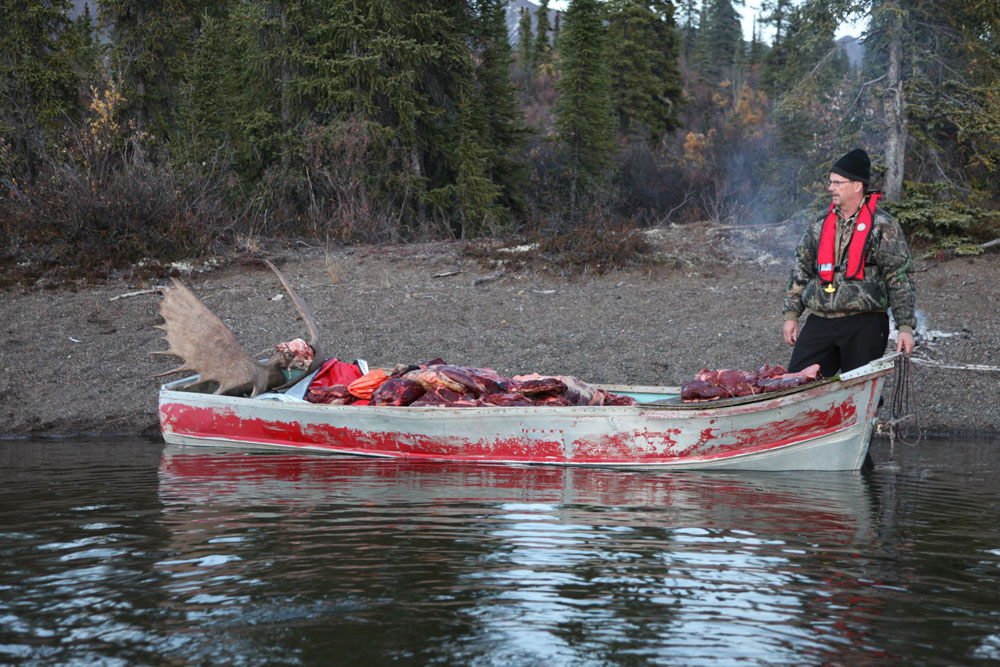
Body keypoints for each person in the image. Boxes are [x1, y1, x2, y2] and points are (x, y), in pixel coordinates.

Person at [782, 148, 916, 378]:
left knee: (861, 387)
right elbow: (801, 269)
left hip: (864, 323)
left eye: (837, 183)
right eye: (830, 182)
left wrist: (905, 328)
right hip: (820, 320)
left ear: (857, 185)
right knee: (797, 381)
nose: (830, 188)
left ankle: (868, 415)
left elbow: (899, 277)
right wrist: (791, 315)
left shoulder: (883, 226)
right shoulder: (820, 224)